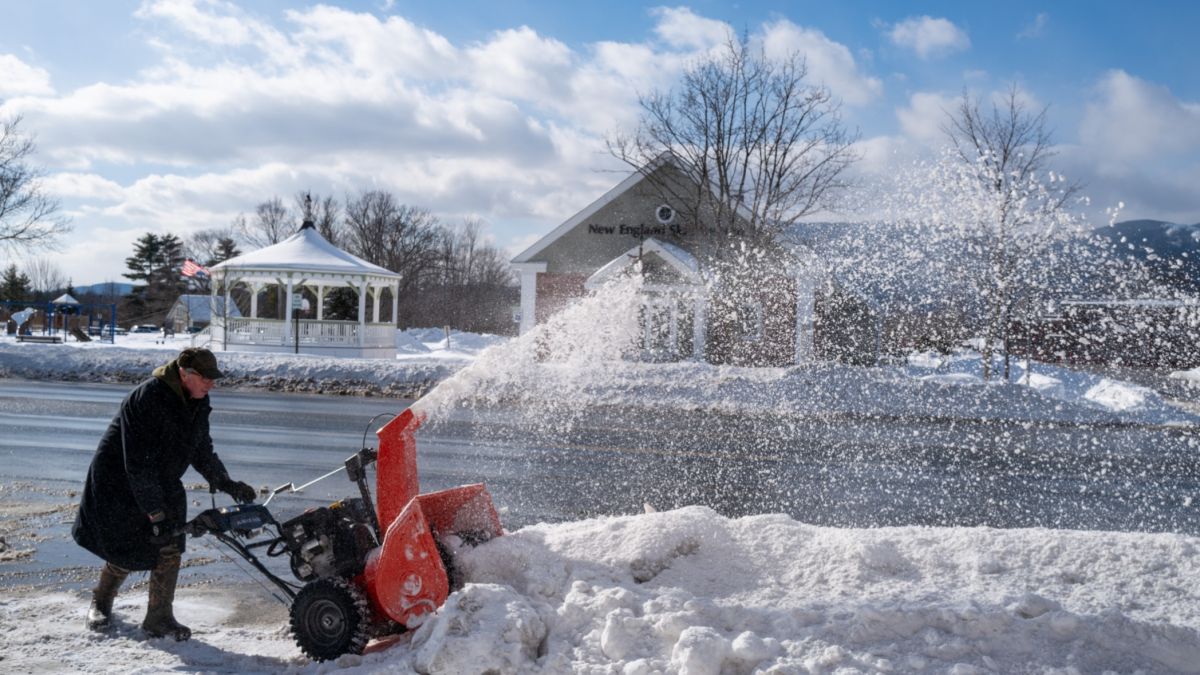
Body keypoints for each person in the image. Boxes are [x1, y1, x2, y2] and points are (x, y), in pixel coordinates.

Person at [72, 347, 257, 640]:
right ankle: (102, 601)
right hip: (120, 480)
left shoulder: (198, 400)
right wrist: (155, 512)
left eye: (213, 378)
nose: (211, 384)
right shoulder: (148, 398)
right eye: (206, 378)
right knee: (129, 543)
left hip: (161, 477)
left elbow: (200, 448)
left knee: (170, 542)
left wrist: (225, 481)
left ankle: (158, 618)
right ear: (185, 374)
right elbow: (137, 462)